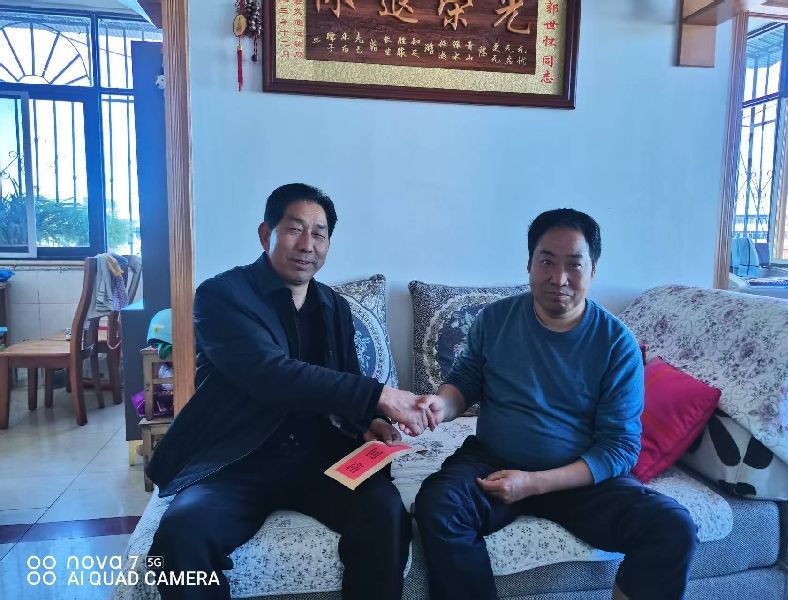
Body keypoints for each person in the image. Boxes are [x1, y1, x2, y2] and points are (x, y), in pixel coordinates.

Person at [147, 183, 424, 600]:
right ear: (266, 234)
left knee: (386, 512)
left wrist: (370, 420)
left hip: (320, 459)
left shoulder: (334, 306)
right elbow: (270, 373)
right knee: (180, 535)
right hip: (236, 461)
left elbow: (344, 377)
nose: (307, 244)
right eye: (295, 229)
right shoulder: (221, 296)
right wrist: (380, 395)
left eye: (319, 234)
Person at [413, 209, 699, 600]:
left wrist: (533, 484)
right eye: (547, 262)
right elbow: (464, 383)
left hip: (579, 479)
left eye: (574, 265)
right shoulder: (495, 320)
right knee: (439, 506)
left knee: (673, 526)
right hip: (493, 462)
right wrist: (440, 406)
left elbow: (619, 447)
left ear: (593, 270)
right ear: (529, 264)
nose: (559, 278)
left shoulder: (617, 343)